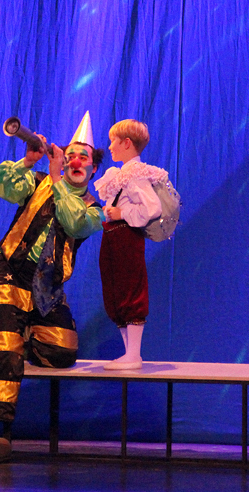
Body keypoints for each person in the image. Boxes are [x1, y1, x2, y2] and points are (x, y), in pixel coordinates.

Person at [0, 112, 104, 462]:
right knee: (3, 347)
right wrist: (28, 161)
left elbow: (72, 221)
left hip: (46, 290)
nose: (75, 161)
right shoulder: (37, 182)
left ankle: (23, 333)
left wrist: (58, 176)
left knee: (63, 350)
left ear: (94, 169)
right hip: (10, 274)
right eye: (70, 155)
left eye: (83, 158)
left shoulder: (93, 210)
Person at [94, 119, 167, 370]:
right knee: (115, 291)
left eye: (113, 141)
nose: (110, 147)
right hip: (114, 237)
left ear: (126, 143)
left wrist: (121, 213)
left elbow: (152, 208)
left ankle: (134, 354)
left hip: (126, 238)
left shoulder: (135, 175)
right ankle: (129, 353)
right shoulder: (121, 174)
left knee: (129, 290)